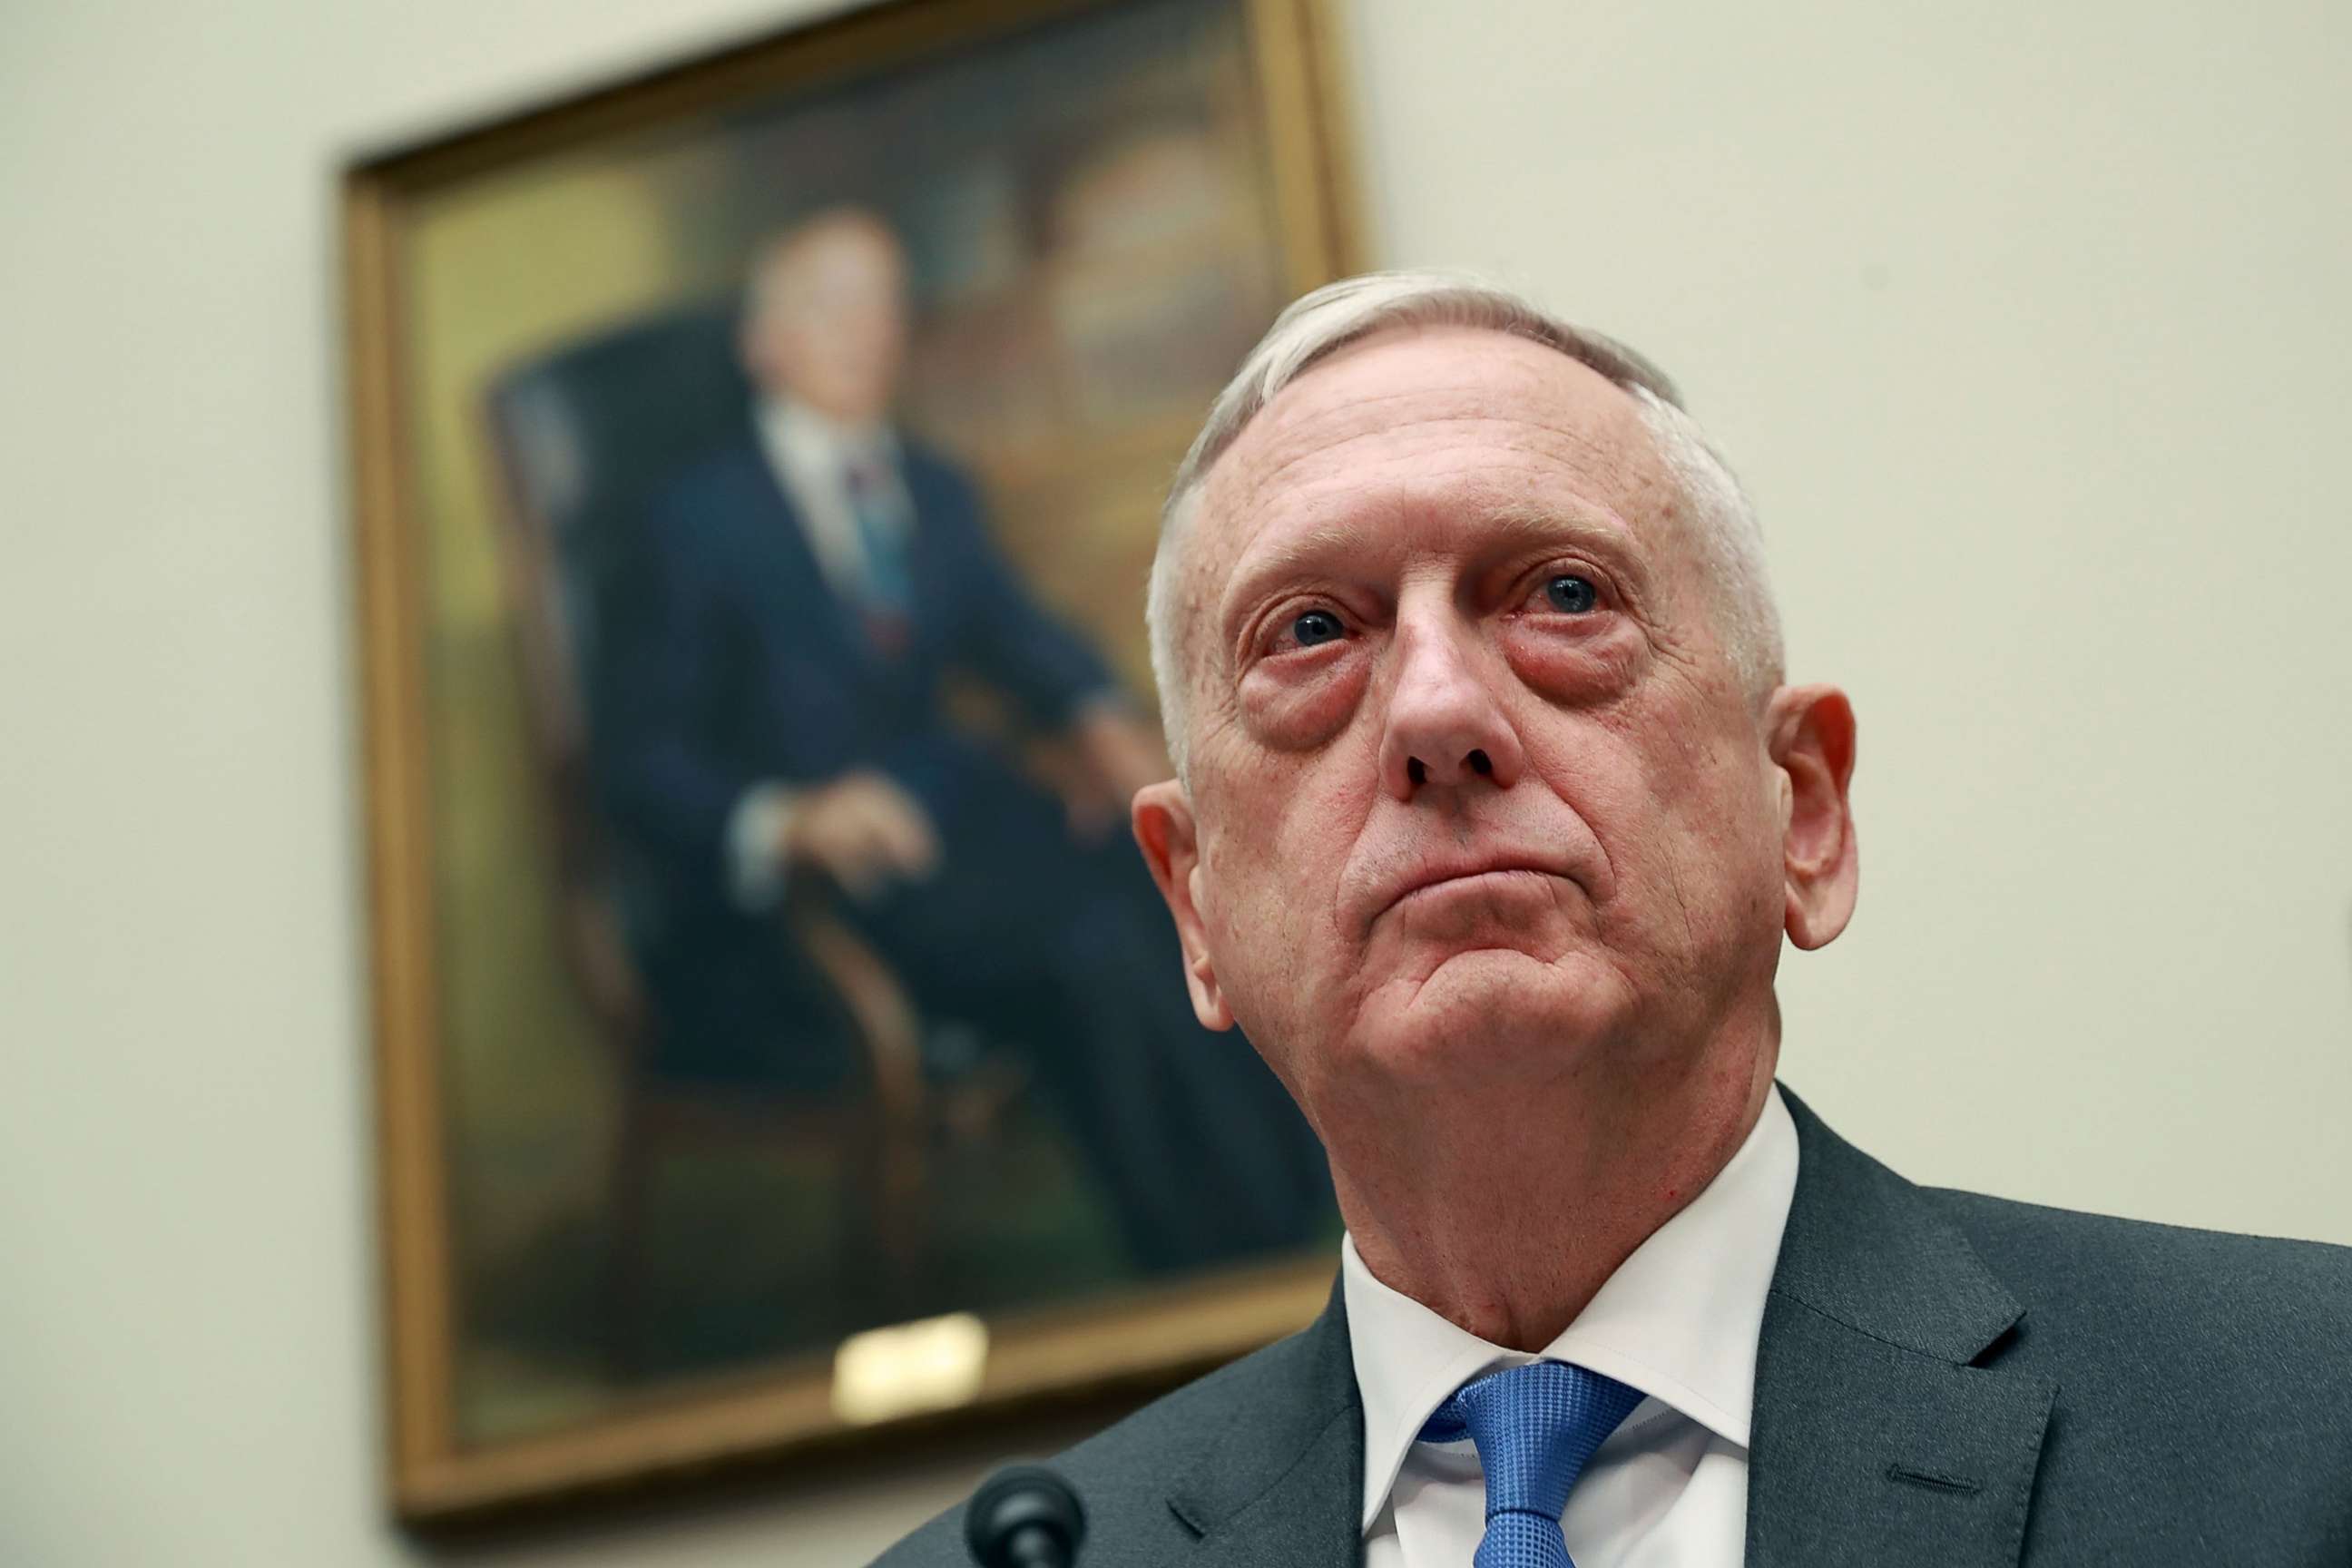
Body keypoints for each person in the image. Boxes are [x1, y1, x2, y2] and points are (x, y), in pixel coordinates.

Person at [874, 273, 2352, 1564]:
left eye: (1560, 594)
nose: (1438, 711)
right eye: (1313, 630)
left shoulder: (2302, 1425)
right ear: (1192, 905)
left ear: (1806, 812)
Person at [593, 208, 1331, 1273]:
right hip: (812, 893)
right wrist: (789, 818)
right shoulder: (691, 524)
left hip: (956, 824)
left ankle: (1304, 1218)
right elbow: (639, 764)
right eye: (831, 304)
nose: (866, 330)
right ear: (763, 343)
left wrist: (1102, 721)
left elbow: (1019, 637)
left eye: (884, 304)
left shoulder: (929, 492)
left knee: (1160, 889)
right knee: (1085, 953)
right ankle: (1207, 1264)